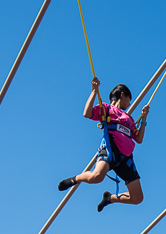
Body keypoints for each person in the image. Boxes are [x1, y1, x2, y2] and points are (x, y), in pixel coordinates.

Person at [57, 78, 148, 211]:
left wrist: (144, 119)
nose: (129, 104)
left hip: (126, 159)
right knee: (96, 176)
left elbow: (139, 139)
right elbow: (87, 113)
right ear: (122, 94)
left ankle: (109, 198)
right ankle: (75, 179)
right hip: (110, 151)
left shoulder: (130, 120)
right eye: (129, 100)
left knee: (137, 198)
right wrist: (94, 91)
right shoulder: (107, 108)